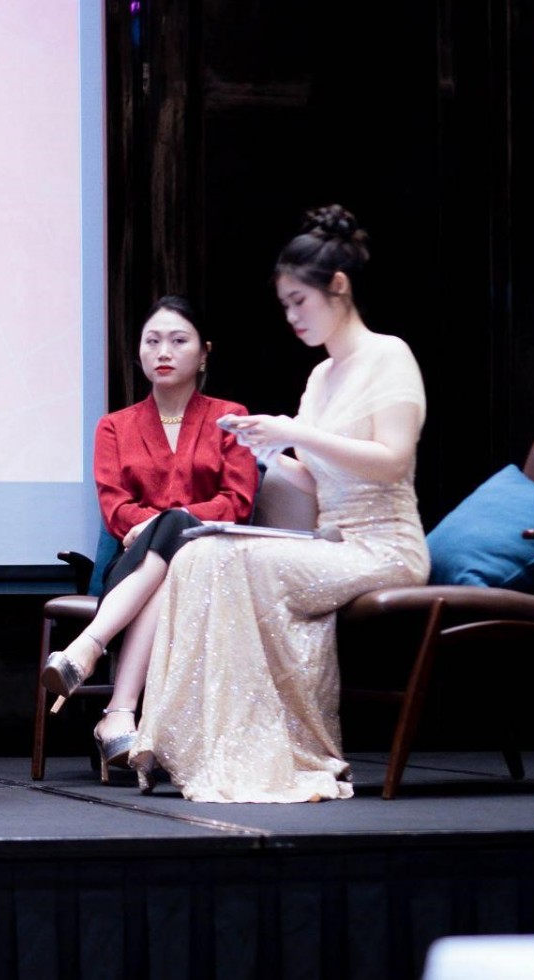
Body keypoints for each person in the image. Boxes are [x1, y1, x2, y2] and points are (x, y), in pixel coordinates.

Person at [133, 206, 430, 802]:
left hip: (385, 546)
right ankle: (201, 743)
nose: (292, 316)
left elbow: (392, 461)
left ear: (337, 287)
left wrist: (296, 432)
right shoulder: (321, 377)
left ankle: (280, 746)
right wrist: (265, 452)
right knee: (200, 552)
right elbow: (316, 483)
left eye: (300, 301)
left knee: (228, 560)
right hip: (332, 542)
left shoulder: (388, 355)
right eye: (286, 304)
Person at [39, 296, 259, 780]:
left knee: (177, 539)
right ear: (138, 351)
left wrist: (167, 522)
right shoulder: (114, 426)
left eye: (178, 341)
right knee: (172, 543)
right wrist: (161, 527)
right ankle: (117, 713)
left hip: (210, 567)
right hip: (132, 567)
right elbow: (115, 509)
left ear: (204, 353)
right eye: (152, 341)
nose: (163, 351)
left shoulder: (231, 418)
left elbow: (237, 502)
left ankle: (92, 658)